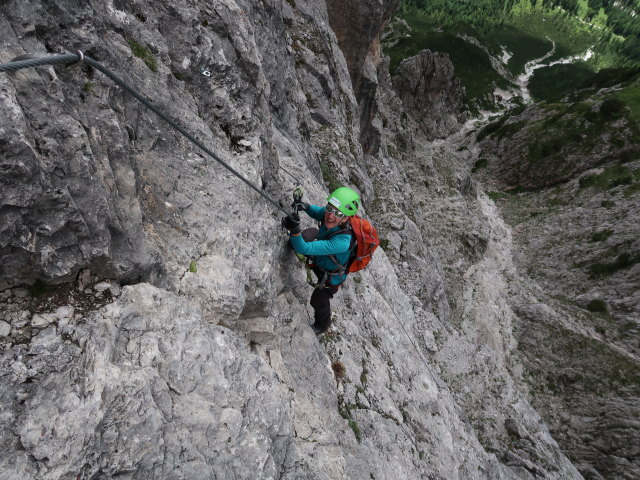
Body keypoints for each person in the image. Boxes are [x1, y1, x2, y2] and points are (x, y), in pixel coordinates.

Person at [282, 187, 360, 335]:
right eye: (330, 208)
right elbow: (319, 212)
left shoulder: (343, 241)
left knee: (317, 301)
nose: (330, 215)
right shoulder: (332, 214)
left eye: (338, 213)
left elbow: (304, 248)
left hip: (331, 276)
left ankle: (322, 325)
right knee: (300, 238)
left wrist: (294, 230)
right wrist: (305, 206)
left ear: (346, 218)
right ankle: (298, 241)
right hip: (321, 259)